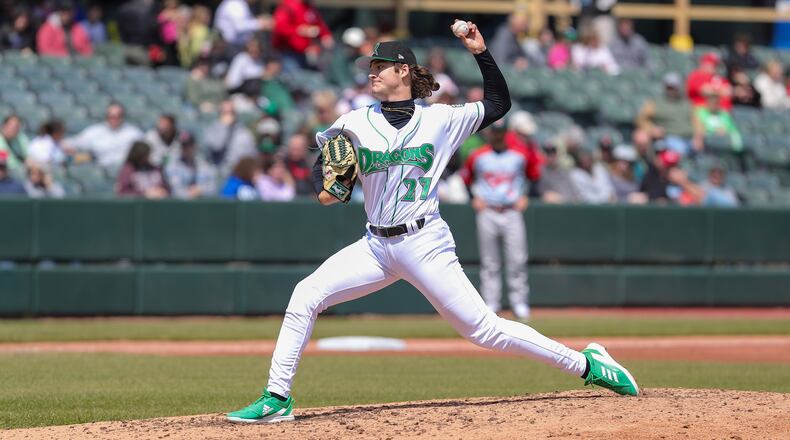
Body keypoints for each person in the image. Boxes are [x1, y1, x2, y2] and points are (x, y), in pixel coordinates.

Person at [225, 24, 638, 425]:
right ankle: (277, 398)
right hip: (375, 247)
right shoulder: (352, 122)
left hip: (424, 242)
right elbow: (324, 177)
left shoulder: (440, 119)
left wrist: (480, 52)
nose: (372, 71)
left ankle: (587, 364)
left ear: (403, 70)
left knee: (484, 330)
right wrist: (327, 187)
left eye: (381, 65)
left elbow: (498, 103)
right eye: (370, 65)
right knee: (306, 295)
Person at [462, 120, 531, 320]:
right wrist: (474, 197)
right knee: (490, 262)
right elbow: (466, 178)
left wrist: (525, 195)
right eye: (495, 132)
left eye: (501, 132)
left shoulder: (519, 155)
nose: (498, 136)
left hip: (511, 210)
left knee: (517, 259)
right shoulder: (479, 155)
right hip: (489, 210)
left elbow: (533, 175)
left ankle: (519, 303)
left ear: (506, 133)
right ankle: (491, 303)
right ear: (490, 133)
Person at [65, 103, 143, 168]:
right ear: (106, 116)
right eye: (111, 116)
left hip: (125, 171)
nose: (114, 119)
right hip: (100, 170)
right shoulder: (95, 131)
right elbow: (73, 142)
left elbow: (145, 148)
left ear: (123, 117)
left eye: (118, 116)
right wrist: (69, 148)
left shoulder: (133, 133)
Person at [636, 72, 694, 156]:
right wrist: (652, 129)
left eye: (674, 87)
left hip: (689, 138)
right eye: (669, 87)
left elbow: (696, 121)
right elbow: (641, 119)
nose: (672, 90)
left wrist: (698, 138)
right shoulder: (655, 103)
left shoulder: (686, 103)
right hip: (669, 137)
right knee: (680, 149)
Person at [271, 0, 334, 72]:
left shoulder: (309, 7)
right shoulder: (288, 6)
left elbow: (318, 24)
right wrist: (300, 30)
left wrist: (325, 35)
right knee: (293, 78)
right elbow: (280, 27)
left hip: (306, 52)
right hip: (289, 53)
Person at [203, 99, 257, 176]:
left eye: (231, 112)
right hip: (218, 174)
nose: (229, 116)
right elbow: (216, 147)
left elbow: (251, 155)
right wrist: (223, 127)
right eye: (225, 113)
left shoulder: (244, 132)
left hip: (238, 175)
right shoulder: (212, 130)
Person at [165, 132, 217, 199]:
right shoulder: (173, 166)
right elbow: (173, 190)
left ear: (194, 146)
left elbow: (213, 188)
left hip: (202, 205)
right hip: (180, 206)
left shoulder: (203, 164)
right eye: (183, 146)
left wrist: (201, 190)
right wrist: (188, 193)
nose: (185, 149)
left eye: (188, 145)